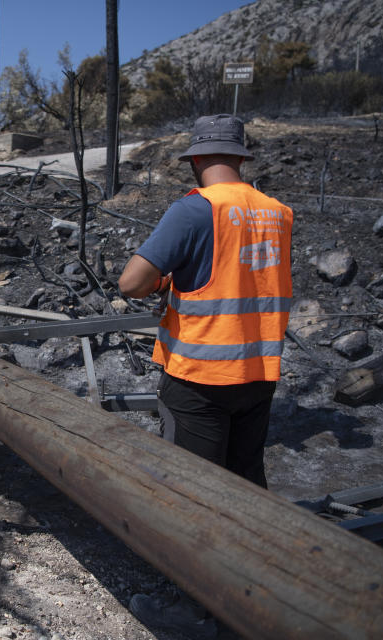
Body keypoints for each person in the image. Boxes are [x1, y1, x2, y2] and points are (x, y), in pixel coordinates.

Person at [118, 114, 292, 489]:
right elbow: (242, 275)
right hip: (258, 374)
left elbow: (131, 283)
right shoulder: (279, 213)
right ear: (240, 159)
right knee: (245, 484)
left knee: (193, 490)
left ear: (195, 160)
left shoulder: (196, 208)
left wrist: (161, 281)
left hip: (198, 378)